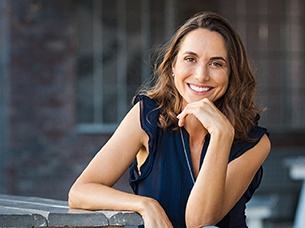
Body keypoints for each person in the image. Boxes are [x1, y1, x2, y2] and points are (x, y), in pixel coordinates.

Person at [68, 11, 271, 228]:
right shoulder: (146, 115)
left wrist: (222, 135)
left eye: (217, 64)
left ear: (232, 74)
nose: (201, 75)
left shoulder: (254, 142)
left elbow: (198, 220)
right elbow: (80, 191)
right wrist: (145, 205)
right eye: (190, 59)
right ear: (173, 66)